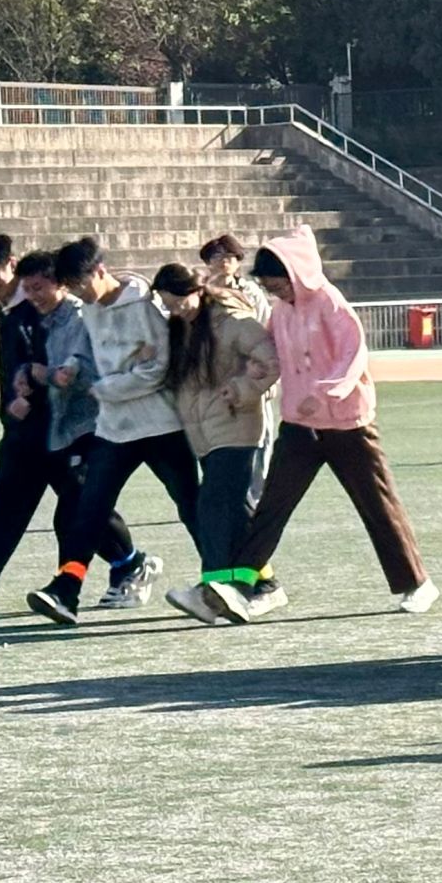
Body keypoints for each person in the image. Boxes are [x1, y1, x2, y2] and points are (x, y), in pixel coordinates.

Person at [226, 225, 438, 617]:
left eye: (279, 285)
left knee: (377, 506)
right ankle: (239, 586)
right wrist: (248, 378)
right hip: (299, 425)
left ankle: (418, 584)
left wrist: (325, 393)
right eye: (270, 288)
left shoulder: (330, 303)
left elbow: (353, 355)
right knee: (272, 505)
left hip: (348, 424)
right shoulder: (281, 311)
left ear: (296, 273)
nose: (277, 294)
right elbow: (272, 352)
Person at [0, 238, 146, 619]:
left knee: (78, 511)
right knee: (6, 506)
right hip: (27, 430)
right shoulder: (13, 306)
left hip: (66, 428)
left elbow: (72, 366)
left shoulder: (57, 310)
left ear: (11, 265)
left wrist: (37, 383)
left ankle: (111, 571)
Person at [25, 237, 199, 626]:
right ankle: (66, 588)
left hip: (160, 425)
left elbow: (157, 369)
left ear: (100, 270)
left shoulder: (144, 306)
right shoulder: (90, 309)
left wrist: (107, 387)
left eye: (81, 283)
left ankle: (230, 578)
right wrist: (77, 366)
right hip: (114, 429)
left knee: (191, 504)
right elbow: (92, 353)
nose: (80, 293)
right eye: (72, 287)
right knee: (88, 507)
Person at [151, 263, 280, 625]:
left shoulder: (231, 320)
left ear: (196, 290)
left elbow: (271, 360)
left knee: (211, 506)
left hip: (238, 426)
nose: (175, 310)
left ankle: (212, 591)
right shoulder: (181, 329)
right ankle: (266, 583)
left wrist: (241, 389)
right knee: (236, 512)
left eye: (178, 301)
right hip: (204, 434)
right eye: (168, 305)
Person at [201, 232, 277, 509]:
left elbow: (266, 331)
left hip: (252, 376)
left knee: (260, 439)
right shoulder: (201, 294)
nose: (223, 262)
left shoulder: (251, 292)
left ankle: (256, 499)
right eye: (217, 257)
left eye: (230, 257)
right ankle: (223, 497)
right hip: (216, 379)